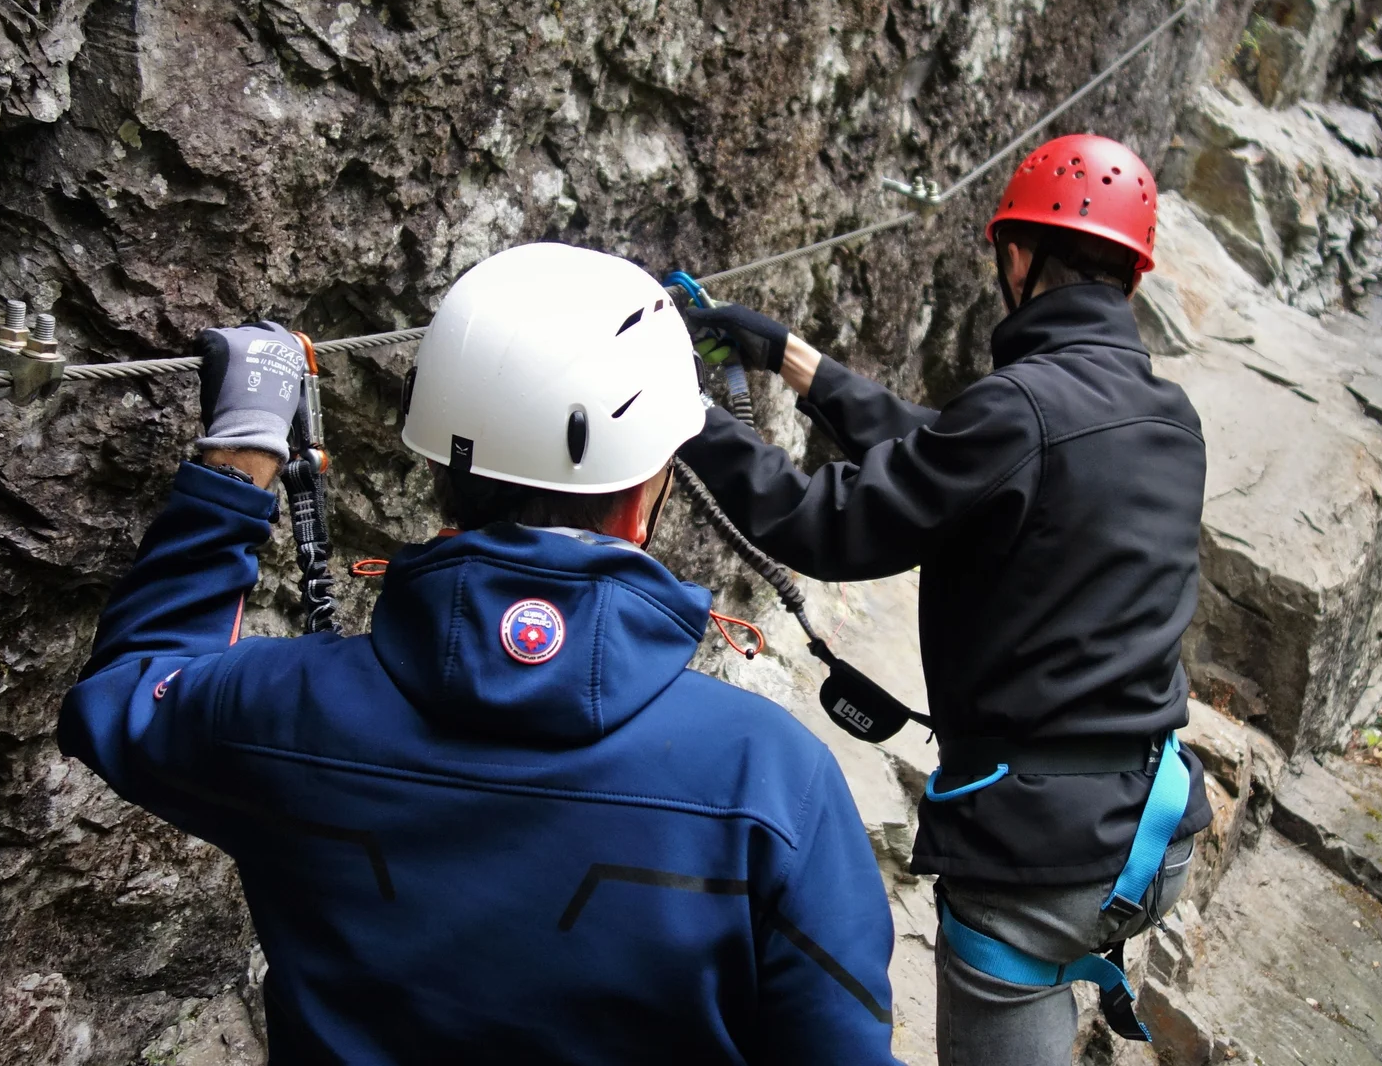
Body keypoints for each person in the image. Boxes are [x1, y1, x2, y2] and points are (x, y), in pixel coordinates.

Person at [59, 242, 902, 1064]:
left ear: (441, 468)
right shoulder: (771, 780)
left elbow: (127, 690)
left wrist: (238, 460)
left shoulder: (282, 712)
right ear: (648, 496)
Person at [674, 134, 1211, 1065]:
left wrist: (672, 413)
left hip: (1037, 860)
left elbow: (822, 522)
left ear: (1016, 255)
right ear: (1131, 274)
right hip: (1154, 824)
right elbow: (958, 454)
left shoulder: (1021, 410)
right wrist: (793, 361)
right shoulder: (1168, 416)